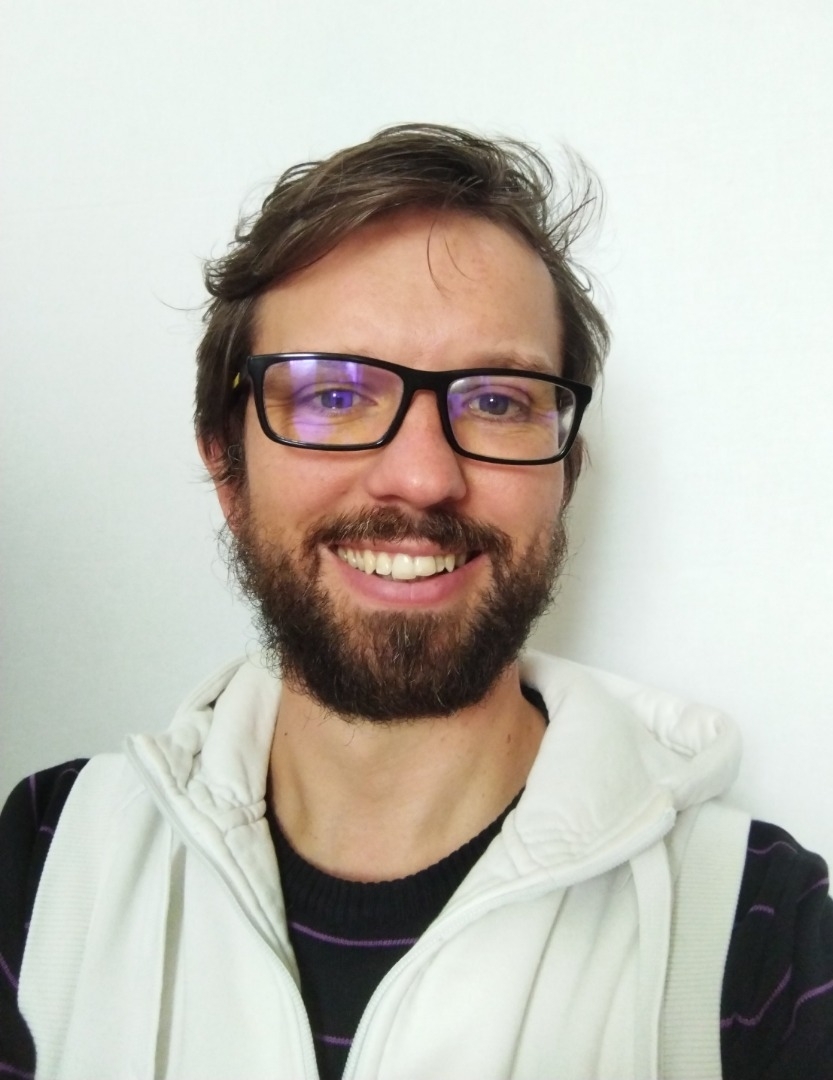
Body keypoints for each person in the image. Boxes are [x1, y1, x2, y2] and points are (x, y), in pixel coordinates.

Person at [1, 124, 831, 1080]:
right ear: (227, 468)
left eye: (496, 401)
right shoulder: (48, 859)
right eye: (332, 395)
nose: (424, 477)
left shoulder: (759, 930)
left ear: (564, 474)